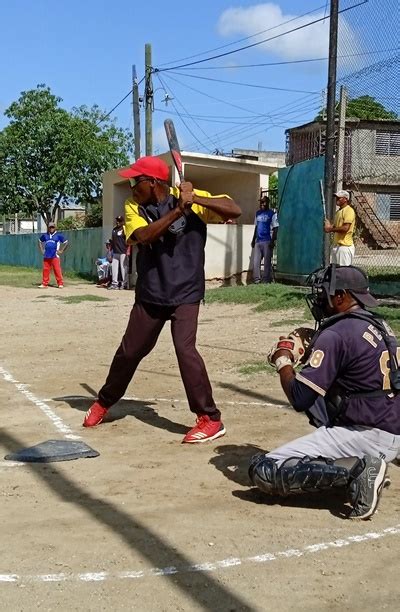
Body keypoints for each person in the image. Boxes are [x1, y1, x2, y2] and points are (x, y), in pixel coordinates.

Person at [83, 155, 241, 443]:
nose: (131, 186)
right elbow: (143, 235)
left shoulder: (191, 198)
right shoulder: (134, 207)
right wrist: (179, 212)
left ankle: (210, 419)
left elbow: (235, 209)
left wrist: (196, 201)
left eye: (135, 181)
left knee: (185, 349)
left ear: (153, 182)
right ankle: (104, 401)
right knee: (130, 351)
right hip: (152, 292)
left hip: (186, 292)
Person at [249, 264, 400, 519]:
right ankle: (364, 463)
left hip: (366, 434)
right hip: (391, 428)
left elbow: (300, 398)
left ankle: (359, 471)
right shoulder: (380, 325)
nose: (320, 299)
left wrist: (283, 360)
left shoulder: (337, 333)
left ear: (341, 297)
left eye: (325, 294)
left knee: (264, 469)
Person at [251, 196, 278, 284]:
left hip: (267, 241)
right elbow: (256, 226)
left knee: (267, 262)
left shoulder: (272, 214)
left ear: (268, 203)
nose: (262, 204)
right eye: (261, 202)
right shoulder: (257, 213)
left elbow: (275, 228)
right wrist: (253, 239)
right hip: (258, 241)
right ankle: (256, 279)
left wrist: (273, 240)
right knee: (256, 261)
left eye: (264, 202)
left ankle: (266, 279)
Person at [324, 190, 355, 265]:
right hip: (337, 246)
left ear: (345, 199)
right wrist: (328, 226)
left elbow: (345, 228)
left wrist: (330, 229)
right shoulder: (338, 212)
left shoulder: (349, 211)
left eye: (339, 198)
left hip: (344, 247)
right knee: (336, 272)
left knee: (344, 272)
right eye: (336, 197)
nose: (337, 199)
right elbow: (335, 226)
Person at [38, 221, 69, 288]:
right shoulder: (45, 235)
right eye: (50, 227)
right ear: (48, 228)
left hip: (55, 256)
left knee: (57, 270)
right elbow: (39, 241)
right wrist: (42, 250)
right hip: (46, 256)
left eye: (53, 227)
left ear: (55, 227)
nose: (51, 228)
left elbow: (66, 242)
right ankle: (44, 283)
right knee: (45, 270)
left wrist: (61, 251)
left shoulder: (58, 235)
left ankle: (60, 283)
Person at [109, 215, 129, 290]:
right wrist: (110, 250)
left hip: (123, 251)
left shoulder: (124, 229)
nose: (118, 222)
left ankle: (124, 284)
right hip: (115, 252)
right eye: (117, 220)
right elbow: (112, 240)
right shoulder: (114, 229)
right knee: (114, 268)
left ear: (123, 222)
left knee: (123, 268)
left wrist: (128, 250)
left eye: (120, 221)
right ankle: (115, 283)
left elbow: (128, 240)